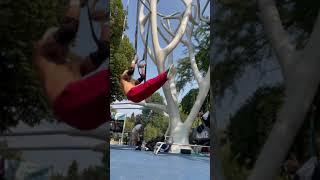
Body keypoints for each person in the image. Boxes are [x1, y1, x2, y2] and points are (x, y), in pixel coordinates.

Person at [33, 0, 109, 130]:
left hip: (86, 118)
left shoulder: (75, 65)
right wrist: (76, 3)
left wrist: (106, 24)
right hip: (67, 101)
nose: (64, 48)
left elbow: (102, 52)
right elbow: (68, 30)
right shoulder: (42, 53)